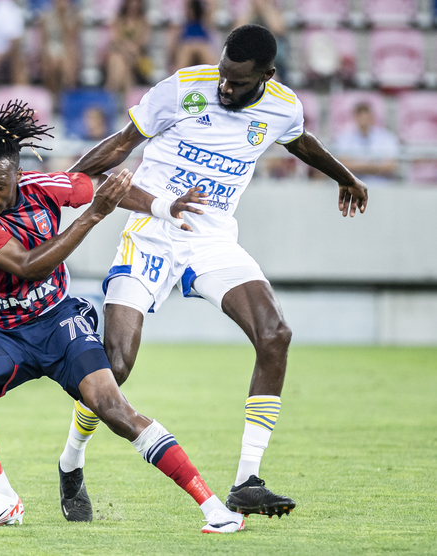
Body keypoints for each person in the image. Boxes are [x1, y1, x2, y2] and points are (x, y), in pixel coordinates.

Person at [55, 25, 368, 522]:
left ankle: (247, 481)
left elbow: (301, 142)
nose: (224, 87)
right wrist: (67, 180)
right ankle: (71, 461)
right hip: (152, 229)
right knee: (115, 365)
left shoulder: (283, 107)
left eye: (237, 82)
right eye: (223, 74)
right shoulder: (183, 88)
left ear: (267, 75)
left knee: (275, 334)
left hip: (212, 239)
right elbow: (121, 145)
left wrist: (345, 177)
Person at [0, 101, 244, 532]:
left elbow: (102, 186)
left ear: (18, 177)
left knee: (114, 408)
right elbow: (29, 266)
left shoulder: (44, 187)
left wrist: (163, 207)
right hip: (4, 333)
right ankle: (3, 498)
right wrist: (94, 215)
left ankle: (214, 509)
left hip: (58, 321)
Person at [332, 102, 399, 185]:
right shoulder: (344, 138)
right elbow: (342, 165)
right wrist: (373, 166)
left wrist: (358, 166)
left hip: (381, 185)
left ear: (372, 117)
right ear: (355, 118)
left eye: (366, 118)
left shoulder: (386, 137)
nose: (364, 121)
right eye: (361, 118)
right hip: (353, 185)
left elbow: (391, 165)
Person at [104, 0, 151, 96]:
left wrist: (129, 48)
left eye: (136, 2)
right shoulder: (118, 20)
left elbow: (142, 44)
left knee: (118, 60)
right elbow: (115, 41)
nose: (134, 5)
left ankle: (110, 90)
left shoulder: (143, 21)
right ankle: (127, 97)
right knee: (122, 64)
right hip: (122, 54)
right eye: (131, 2)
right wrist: (126, 48)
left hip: (138, 57)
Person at [36, 0, 80, 96]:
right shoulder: (46, 16)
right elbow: (44, 41)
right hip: (51, 49)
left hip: (66, 48)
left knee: (67, 61)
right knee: (51, 62)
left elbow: (70, 40)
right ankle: (53, 94)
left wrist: (62, 19)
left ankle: (67, 94)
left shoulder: (72, 17)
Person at [167, 0, 218, 73]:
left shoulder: (205, 20)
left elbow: (210, 14)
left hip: (202, 41)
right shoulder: (183, 23)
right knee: (187, 50)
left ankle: (217, 75)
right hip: (187, 42)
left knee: (201, 48)